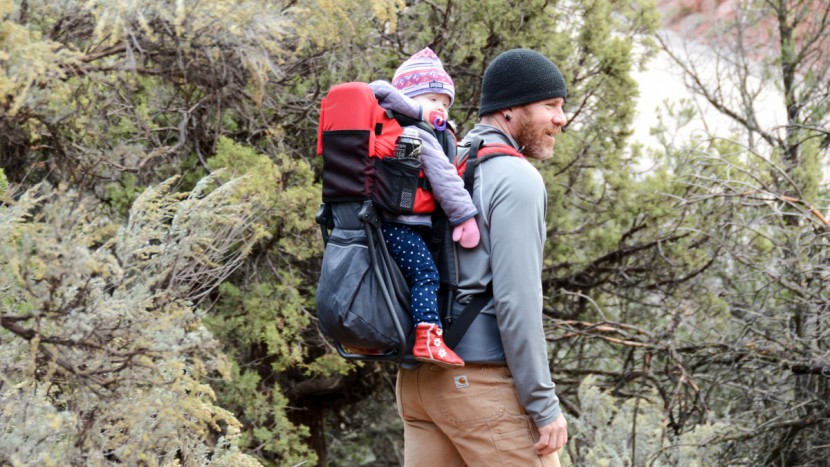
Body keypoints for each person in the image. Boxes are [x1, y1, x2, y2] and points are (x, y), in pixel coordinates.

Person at [395, 48, 570, 466]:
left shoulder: (445, 155)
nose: (561, 119)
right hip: (476, 383)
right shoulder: (516, 178)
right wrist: (543, 407)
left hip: (418, 385)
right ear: (510, 110)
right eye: (550, 106)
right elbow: (517, 302)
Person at [370, 48, 480, 368]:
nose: (441, 109)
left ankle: (389, 335)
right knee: (425, 275)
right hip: (402, 223)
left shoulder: (392, 126)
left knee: (398, 280)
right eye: (433, 99)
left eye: (446, 104)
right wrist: (465, 216)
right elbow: (445, 179)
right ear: (409, 97)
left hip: (379, 224)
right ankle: (429, 338)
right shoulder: (420, 133)